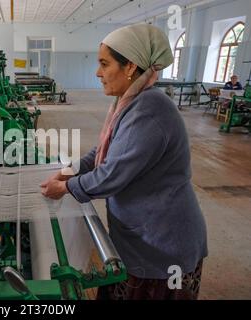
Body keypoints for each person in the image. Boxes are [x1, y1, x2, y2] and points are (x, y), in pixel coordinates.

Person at [40, 24, 208, 300]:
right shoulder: (129, 103)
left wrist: (67, 188)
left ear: (130, 66)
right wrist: (66, 172)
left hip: (163, 242)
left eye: (104, 64)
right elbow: (101, 154)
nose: (98, 73)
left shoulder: (149, 109)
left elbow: (111, 174)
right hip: (141, 235)